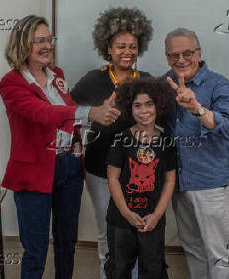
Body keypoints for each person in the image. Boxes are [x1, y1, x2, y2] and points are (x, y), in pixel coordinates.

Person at [0, 15, 121, 279]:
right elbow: (44, 113)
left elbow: (67, 112)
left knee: (67, 243)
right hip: (34, 173)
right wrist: (90, 113)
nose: (47, 45)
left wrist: (102, 76)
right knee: (36, 249)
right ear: (22, 44)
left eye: (50, 39)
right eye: (39, 40)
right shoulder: (12, 82)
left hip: (70, 167)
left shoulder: (58, 76)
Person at [70, 7, 153, 278]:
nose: (127, 51)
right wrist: (89, 121)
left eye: (132, 46)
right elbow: (67, 113)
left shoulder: (149, 81)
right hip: (99, 170)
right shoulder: (93, 79)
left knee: (137, 229)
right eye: (120, 46)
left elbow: (162, 123)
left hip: (139, 172)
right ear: (108, 47)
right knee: (108, 231)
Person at [164, 28, 229, 279]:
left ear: (199, 53)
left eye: (187, 53)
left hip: (210, 182)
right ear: (167, 57)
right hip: (179, 183)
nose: (181, 60)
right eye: (174, 55)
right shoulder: (165, 84)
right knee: (192, 248)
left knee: (219, 253)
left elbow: (228, 130)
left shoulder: (219, 83)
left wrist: (196, 107)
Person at [105, 77, 176, 279]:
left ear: (158, 106)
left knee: (153, 269)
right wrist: (127, 213)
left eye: (149, 104)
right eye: (137, 105)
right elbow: (113, 179)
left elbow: (170, 181)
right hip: (121, 220)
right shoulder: (120, 139)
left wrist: (157, 215)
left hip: (152, 220)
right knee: (119, 268)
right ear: (129, 108)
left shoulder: (167, 142)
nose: (144, 111)